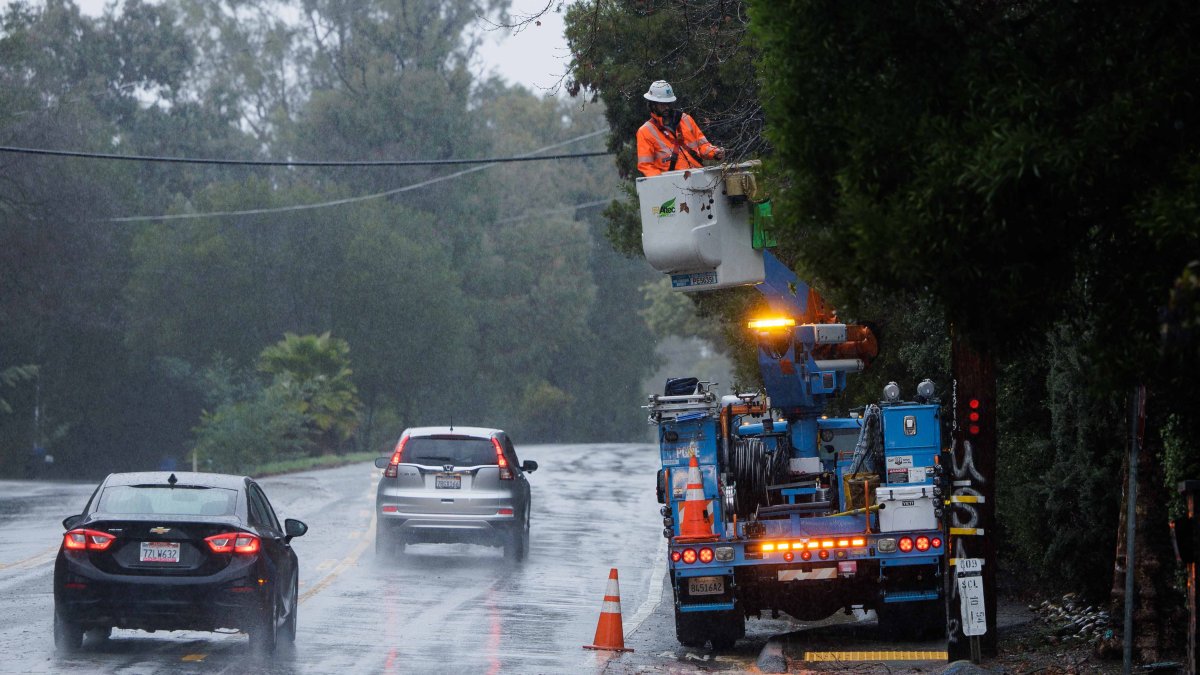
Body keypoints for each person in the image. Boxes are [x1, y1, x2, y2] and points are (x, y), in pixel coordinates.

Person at [636, 80, 725, 177]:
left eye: (668, 103)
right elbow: (646, 166)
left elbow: (703, 146)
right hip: (672, 184)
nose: (666, 107)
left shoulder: (686, 119)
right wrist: (662, 183)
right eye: (662, 104)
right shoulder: (645, 132)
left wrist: (714, 152)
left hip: (698, 176)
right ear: (653, 104)